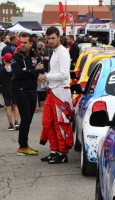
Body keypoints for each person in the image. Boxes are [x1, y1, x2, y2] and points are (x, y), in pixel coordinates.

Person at [38, 26, 74, 164]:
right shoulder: (55, 52)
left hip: (61, 92)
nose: (51, 41)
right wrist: (47, 78)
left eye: (53, 38)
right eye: (49, 38)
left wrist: (46, 76)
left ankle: (62, 152)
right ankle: (54, 150)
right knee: (47, 122)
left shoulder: (63, 52)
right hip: (53, 90)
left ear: (59, 37)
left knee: (60, 124)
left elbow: (64, 74)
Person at [11, 32, 45, 156]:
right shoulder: (16, 56)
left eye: (25, 42)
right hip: (20, 91)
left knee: (29, 120)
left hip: (32, 90)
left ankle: (25, 145)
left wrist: (29, 71)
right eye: (21, 42)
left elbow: (42, 70)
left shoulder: (36, 55)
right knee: (25, 119)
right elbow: (18, 74)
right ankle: (22, 146)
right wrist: (33, 71)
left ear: (31, 43)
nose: (23, 45)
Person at [0, 52, 20, 131]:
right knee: (16, 106)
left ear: (4, 60)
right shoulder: (15, 68)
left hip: (6, 90)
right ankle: (17, 122)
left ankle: (10, 125)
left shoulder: (2, 70)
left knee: (8, 107)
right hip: (15, 89)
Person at [35, 42, 48, 112]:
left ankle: (42, 106)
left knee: (40, 91)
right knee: (44, 89)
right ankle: (44, 104)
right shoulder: (47, 55)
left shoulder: (37, 56)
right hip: (46, 73)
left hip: (40, 74)